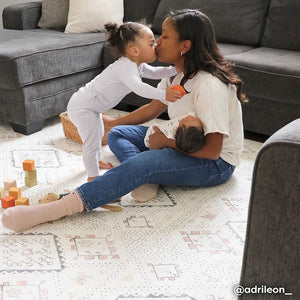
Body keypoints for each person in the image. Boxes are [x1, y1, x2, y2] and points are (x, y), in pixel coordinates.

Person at [2, 9, 247, 232]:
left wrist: (165, 144)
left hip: (215, 164)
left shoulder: (209, 85)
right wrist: (111, 125)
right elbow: (153, 107)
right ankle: (148, 175)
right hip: (179, 137)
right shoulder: (178, 73)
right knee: (120, 135)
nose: (157, 41)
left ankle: (54, 209)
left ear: (185, 45)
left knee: (144, 161)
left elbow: (213, 151)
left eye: (165, 37)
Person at [67, 21, 181, 182]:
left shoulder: (137, 65)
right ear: (135, 51)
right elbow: (139, 88)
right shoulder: (125, 68)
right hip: (83, 106)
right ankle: (92, 177)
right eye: (151, 43)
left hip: (92, 107)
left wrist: (175, 69)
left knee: (99, 133)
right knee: (91, 141)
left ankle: (97, 160)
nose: (155, 45)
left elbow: (156, 72)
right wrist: (164, 94)